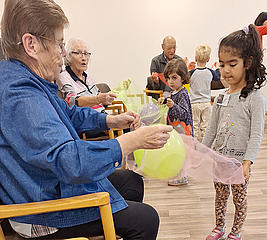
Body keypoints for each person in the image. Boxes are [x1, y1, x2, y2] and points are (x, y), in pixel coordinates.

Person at [0, 0, 173, 239]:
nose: (63, 53)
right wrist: (131, 141)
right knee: (145, 220)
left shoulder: (28, 81)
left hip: (49, 185)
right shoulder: (19, 94)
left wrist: (111, 121)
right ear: (31, 44)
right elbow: (68, 161)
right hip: (41, 211)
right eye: (60, 44)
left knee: (131, 181)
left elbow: (68, 112)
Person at [203, 25, 267, 240]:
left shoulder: (254, 98)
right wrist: (203, 151)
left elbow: (257, 134)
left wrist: (248, 162)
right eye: (221, 65)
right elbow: (212, 128)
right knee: (220, 197)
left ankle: (236, 231)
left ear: (247, 63)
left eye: (232, 64)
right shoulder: (221, 97)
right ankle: (219, 227)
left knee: (239, 199)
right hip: (219, 160)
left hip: (240, 163)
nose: (226, 70)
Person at [158, 58, 193, 186]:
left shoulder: (183, 93)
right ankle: (179, 173)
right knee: (179, 153)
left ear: (182, 78)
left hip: (183, 129)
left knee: (183, 154)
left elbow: (184, 113)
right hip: (177, 129)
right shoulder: (174, 92)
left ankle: (183, 176)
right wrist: (165, 101)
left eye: (174, 78)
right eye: (168, 78)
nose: (170, 82)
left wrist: (173, 106)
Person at [56, 38, 116, 112]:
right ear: (68, 56)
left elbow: (100, 101)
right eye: (78, 53)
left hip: (102, 116)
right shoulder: (64, 77)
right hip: (87, 120)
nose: (84, 58)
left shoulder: (87, 77)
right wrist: (98, 99)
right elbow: (72, 102)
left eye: (86, 53)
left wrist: (108, 99)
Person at [189, 44, 219, 142]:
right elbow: (218, 77)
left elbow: (184, 78)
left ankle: (194, 146)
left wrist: (186, 66)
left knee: (194, 126)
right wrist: (218, 67)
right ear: (208, 59)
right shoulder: (210, 72)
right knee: (205, 127)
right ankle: (204, 145)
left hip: (194, 103)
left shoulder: (191, 73)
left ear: (195, 58)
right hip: (206, 103)